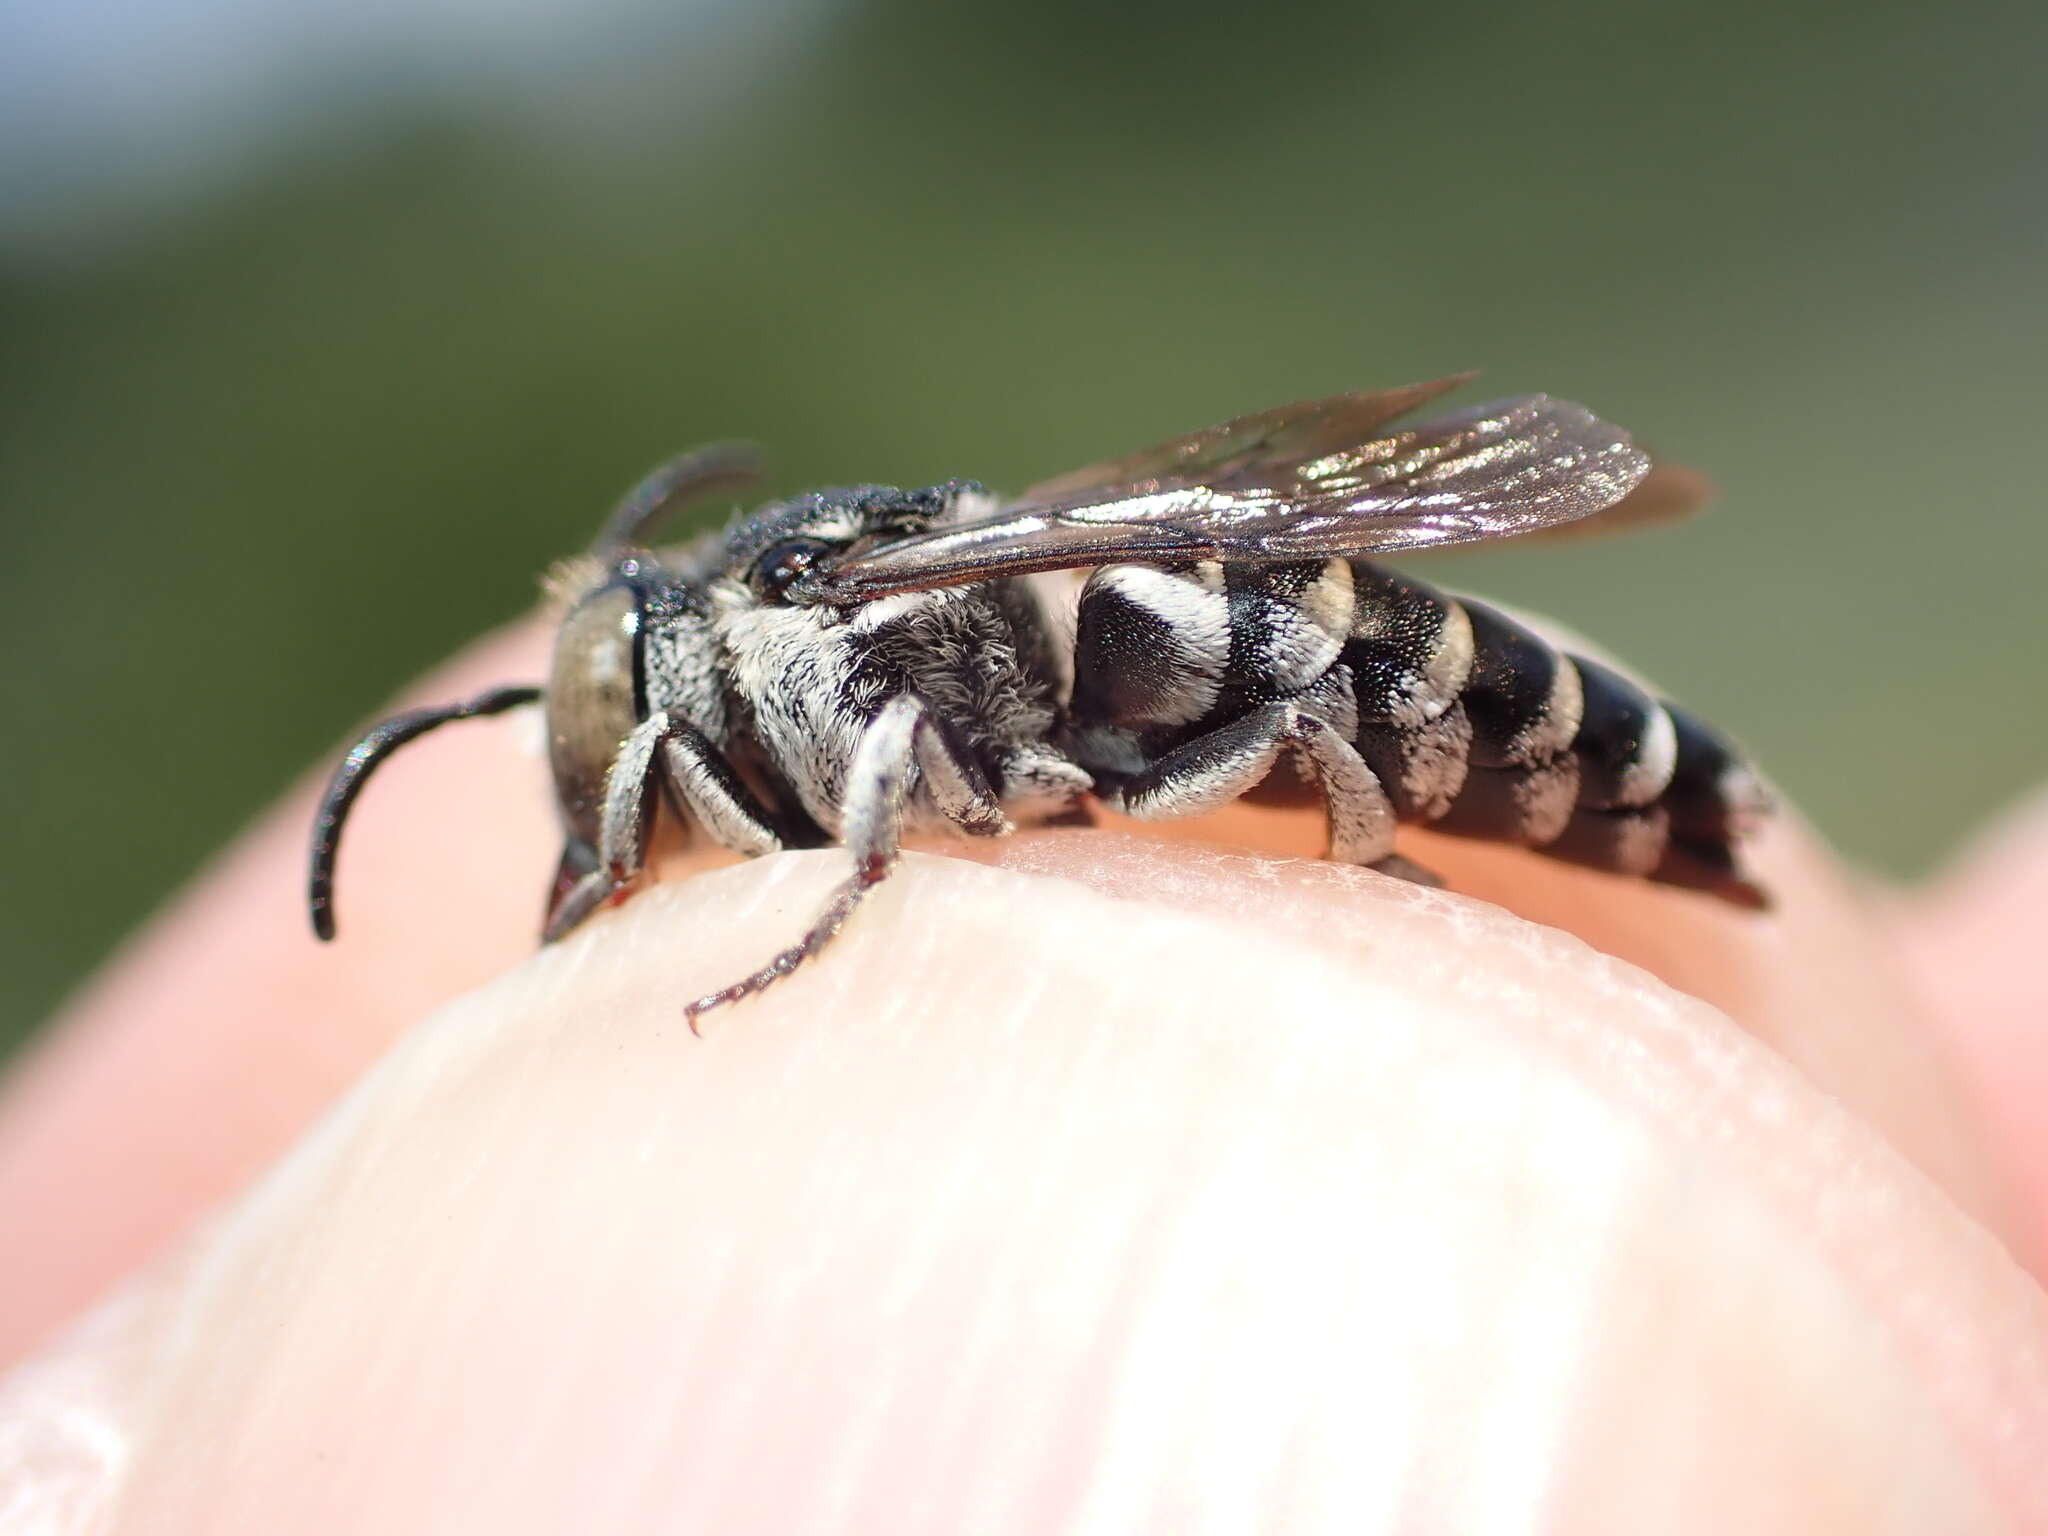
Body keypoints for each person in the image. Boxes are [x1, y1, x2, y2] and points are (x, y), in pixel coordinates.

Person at [2, 622, 2045, 1529]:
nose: (622, 786)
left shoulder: (851, 661)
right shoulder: (812, 672)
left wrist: (837, 899)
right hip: (1303, 675)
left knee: (1291, 683)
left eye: (629, 752)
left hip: (1403, 700)